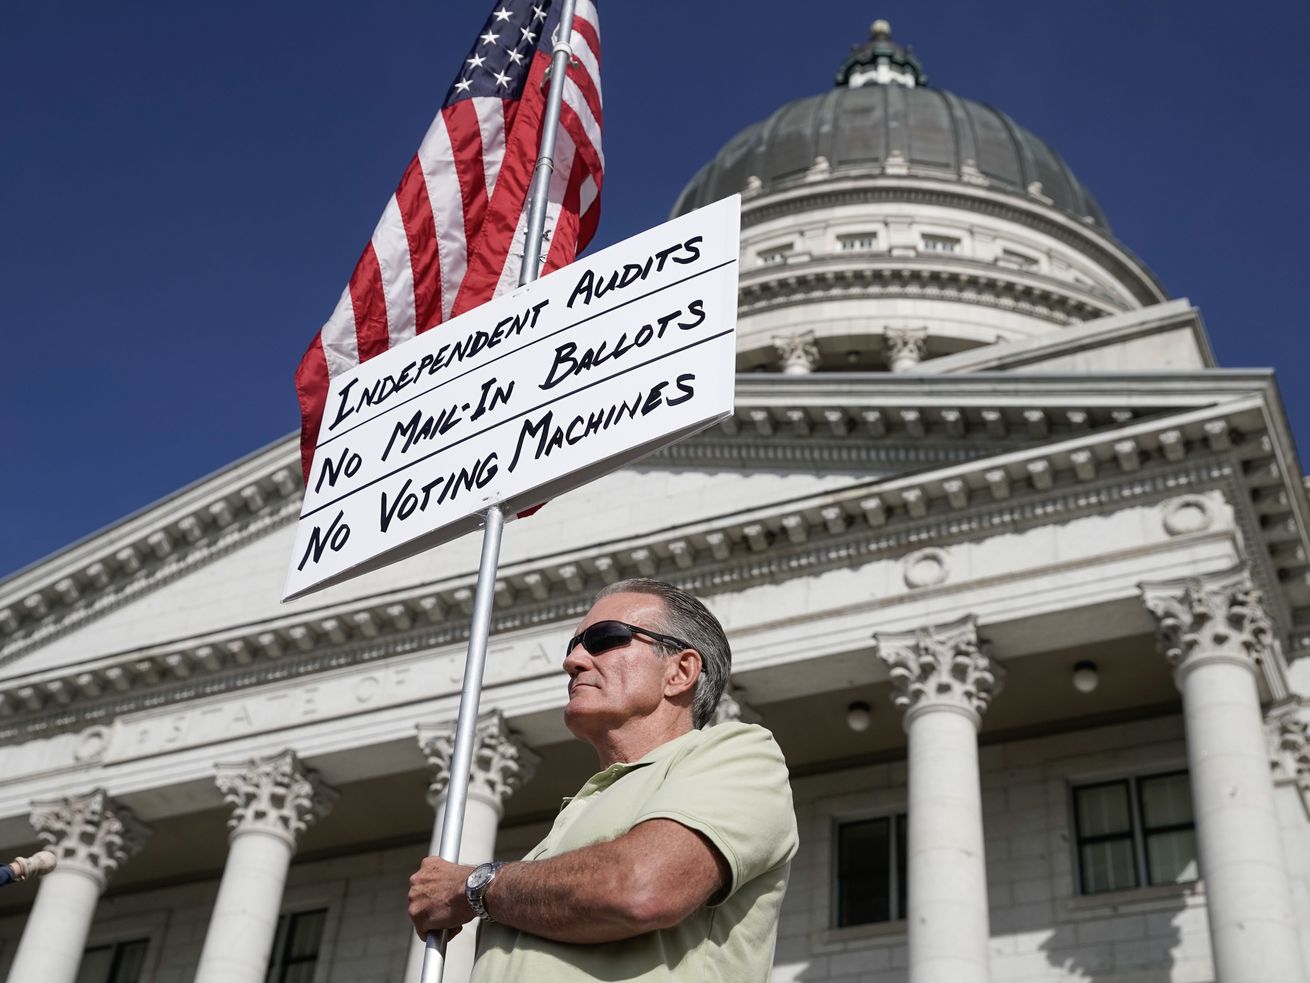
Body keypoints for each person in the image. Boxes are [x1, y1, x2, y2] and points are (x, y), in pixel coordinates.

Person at [408, 578, 798, 981]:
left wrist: (474, 886)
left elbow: (641, 886)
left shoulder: (740, 753)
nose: (573, 661)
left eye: (605, 638)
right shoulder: (575, 815)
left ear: (680, 671)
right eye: (572, 645)